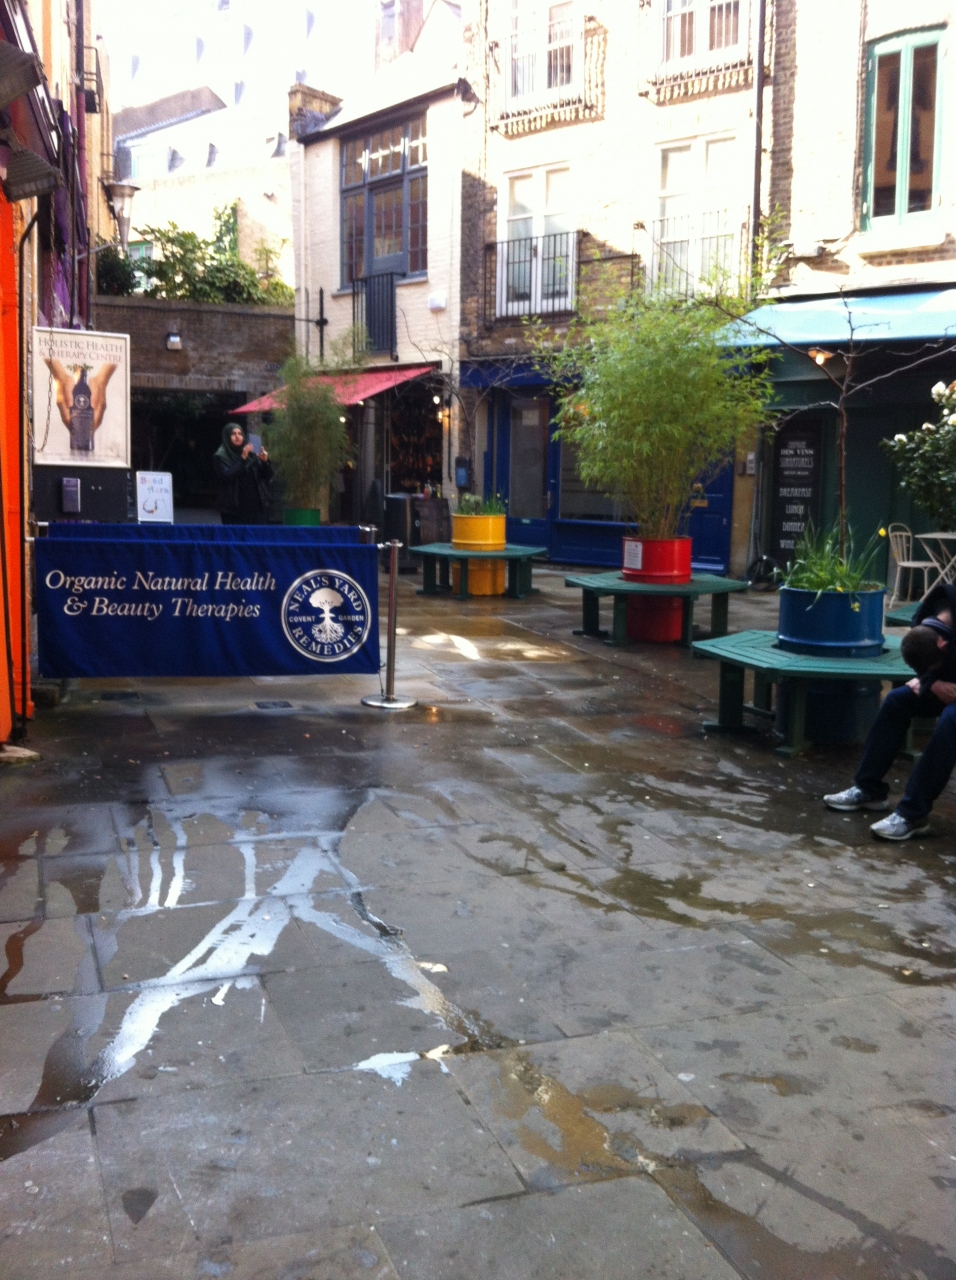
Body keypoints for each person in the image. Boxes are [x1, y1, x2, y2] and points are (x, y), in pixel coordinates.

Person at [824, 583, 956, 841]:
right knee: (897, 700)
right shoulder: (925, 619)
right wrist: (931, 682)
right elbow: (923, 667)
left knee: (951, 720)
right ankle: (869, 789)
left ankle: (912, 814)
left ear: (943, 644)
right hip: (948, 684)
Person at [213, 423, 273, 525]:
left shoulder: (252, 454)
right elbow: (227, 475)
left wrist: (265, 461)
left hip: (257, 507)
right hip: (234, 509)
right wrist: (242, 458)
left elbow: (267, 476)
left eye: (240, 433)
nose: (237, 437)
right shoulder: (221, 456)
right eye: (233, 434)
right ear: (227, 436)